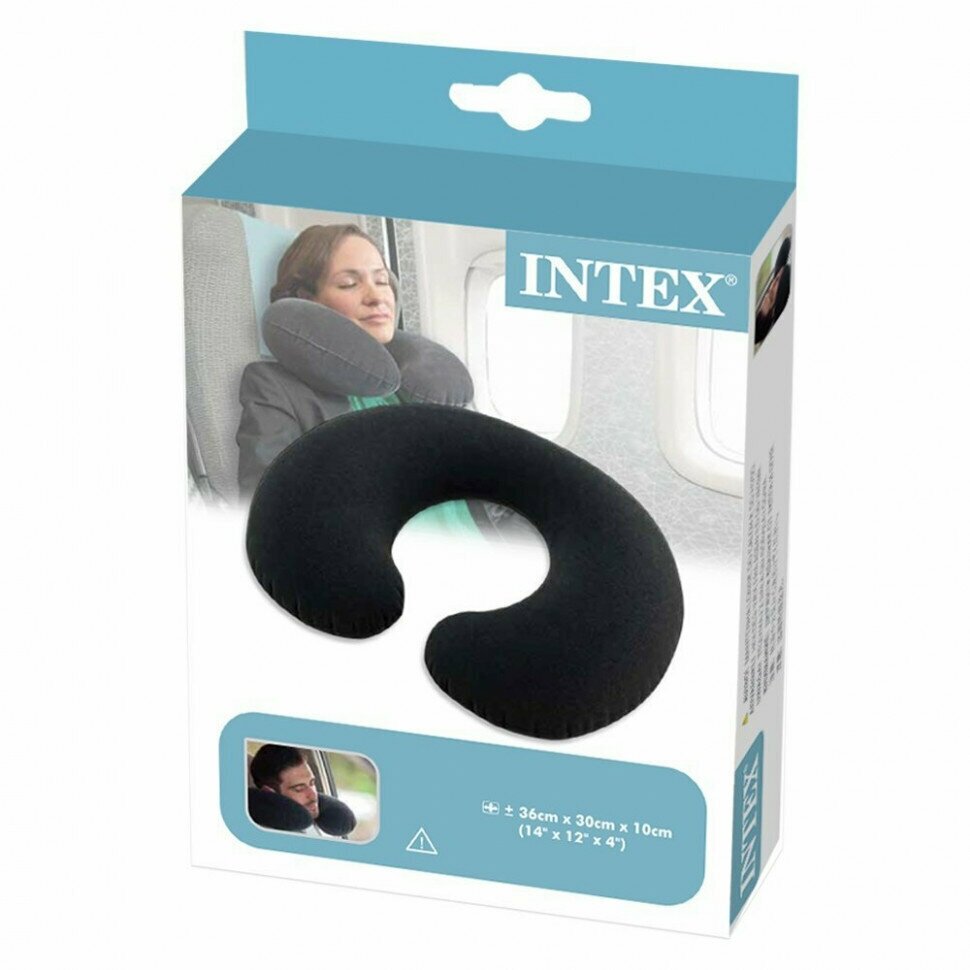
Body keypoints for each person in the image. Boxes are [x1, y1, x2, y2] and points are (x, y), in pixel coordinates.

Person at [249, 744, 327, 837]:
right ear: (271, 794)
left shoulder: (320, 824)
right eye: (299, 789)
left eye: (312, 783)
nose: (313, 795)